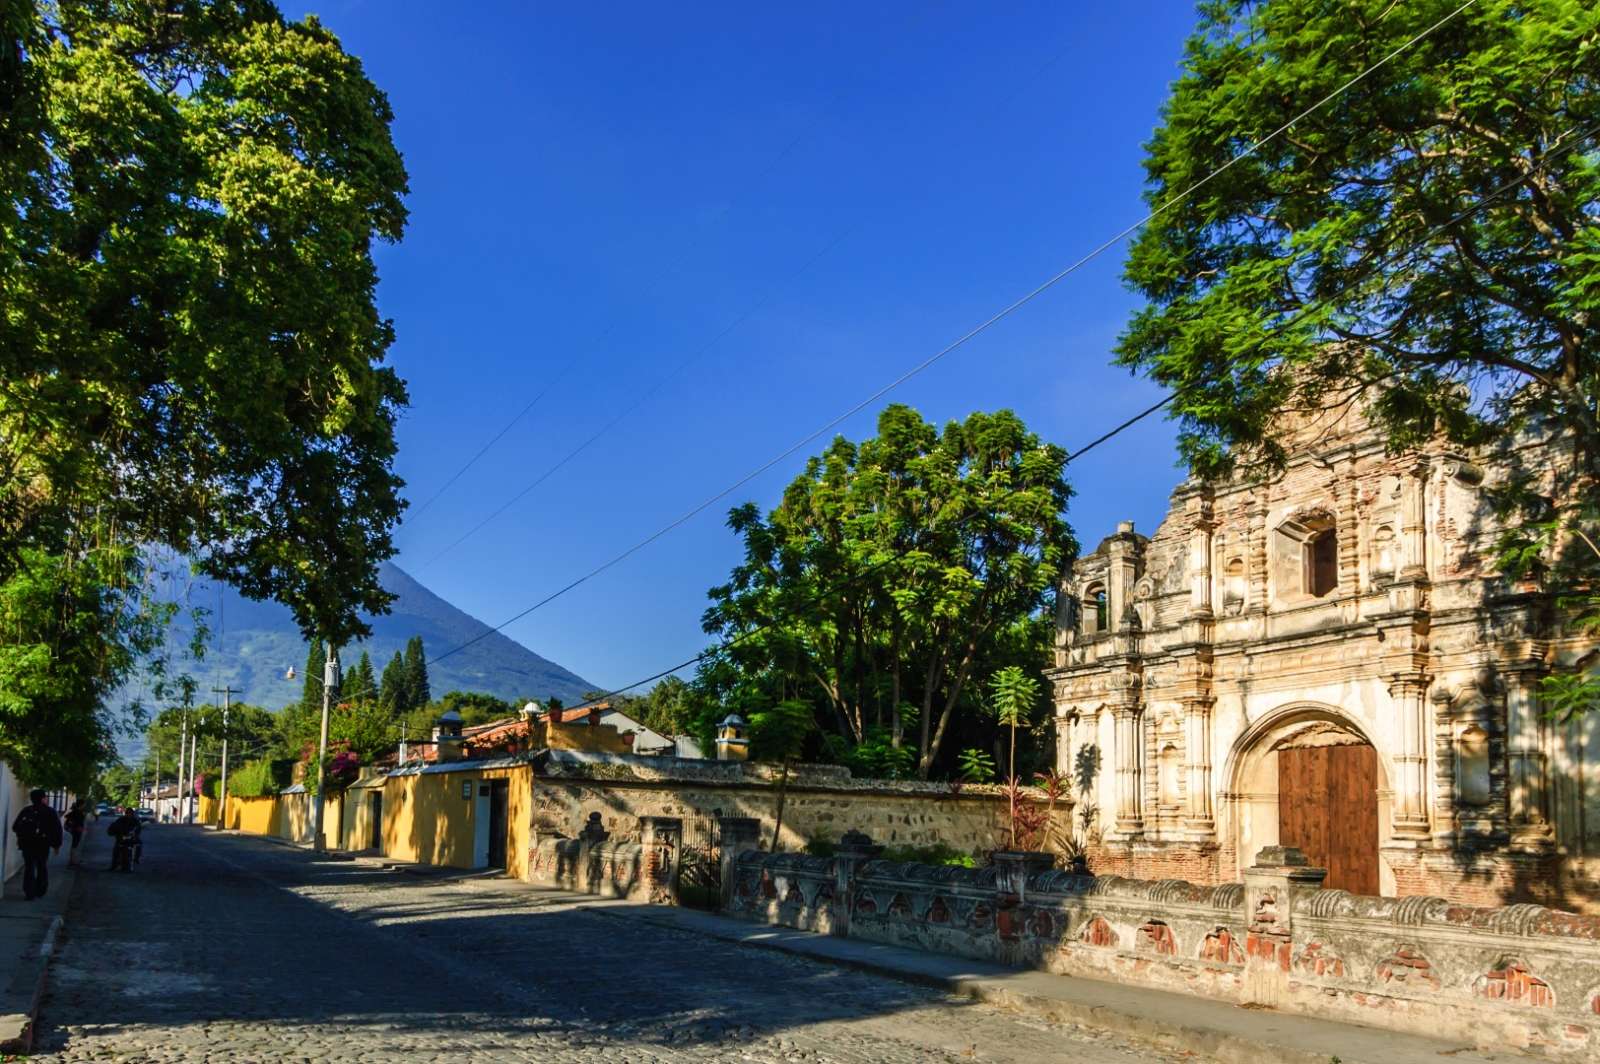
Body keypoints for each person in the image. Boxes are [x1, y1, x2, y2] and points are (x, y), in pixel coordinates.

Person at [12, 789, 63, 900]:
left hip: (27, 844)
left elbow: (15, 826)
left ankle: (29, 893)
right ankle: (40, 890)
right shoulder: (50, 812)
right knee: (41, 866)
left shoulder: (26, 810)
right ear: (42, 798)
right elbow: (57, 830)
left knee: (29, 867)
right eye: (46, 797)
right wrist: (56, 845)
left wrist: (21, 836)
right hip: (42, 844)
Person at [107, 808, 141, 872]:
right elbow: (114, 827)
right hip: (121, 838)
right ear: (125, 814)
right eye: (127, 813)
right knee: (116, 850)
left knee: (139, 844)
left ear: (132, 814)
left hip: (131, 839)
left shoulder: (135, 821)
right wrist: (115, 832)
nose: (129, 815)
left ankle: (136, 858)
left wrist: (134, 834)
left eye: (130, 813)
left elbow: (138, 828)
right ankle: (114, 865)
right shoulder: (121, 820)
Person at [64, 800, 87, 867]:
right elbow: (79, 821)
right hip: (77, 830)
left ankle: (73, 860)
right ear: (81, 805)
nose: (84, 806)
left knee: (74, 845)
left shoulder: (76, 811)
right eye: (83, 804)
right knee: (75, 845)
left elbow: (67, 816)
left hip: (75, 830)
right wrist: (79, 827)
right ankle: (72, 861)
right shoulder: (78, 812)